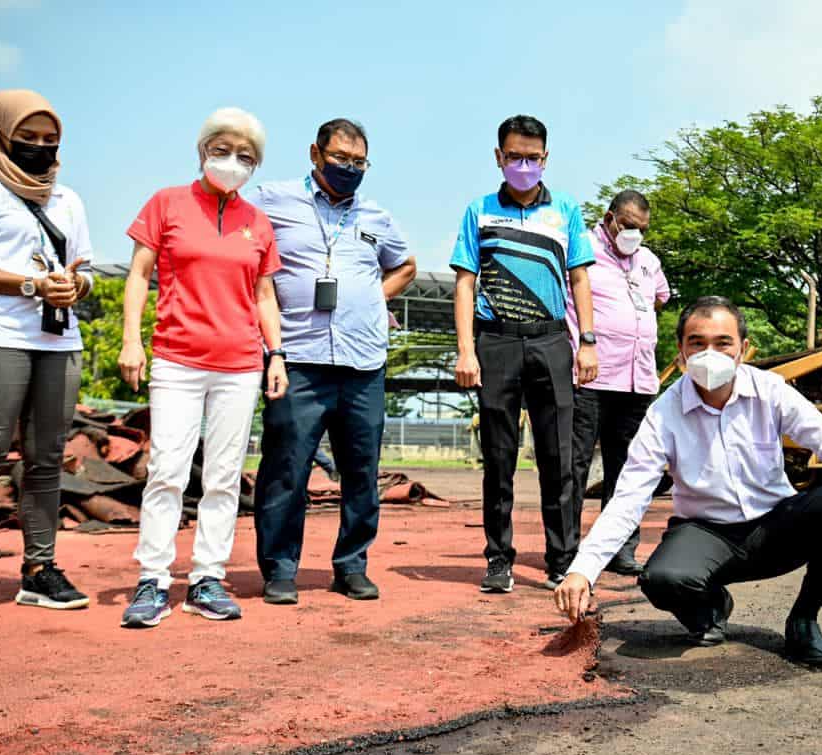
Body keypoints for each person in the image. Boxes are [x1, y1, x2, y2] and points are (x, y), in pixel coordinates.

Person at [554, 296, 822, 663]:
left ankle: (805, 619)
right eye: (697, 343)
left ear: (742, 349)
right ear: (680, 354)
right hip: (706, 534)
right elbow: (628, 498)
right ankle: (710, 607)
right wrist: (582, 571)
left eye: (722, 343)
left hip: (776, 527)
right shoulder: (663, 414)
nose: (709, 353)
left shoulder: (769, 391)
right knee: (662, 578)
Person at [117, 107, 287, 629]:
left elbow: (264, 294)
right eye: (222, 149)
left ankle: (207, 578)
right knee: (167, 469)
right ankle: (152, 579)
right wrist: (132, 340)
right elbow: (139, 273)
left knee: (224, 475)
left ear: (255, 165)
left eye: (245, 156)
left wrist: (275, 354)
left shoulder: (256, 222)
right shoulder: (166, 204)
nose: (232, 161)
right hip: (176, 359)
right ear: (203, 150)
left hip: (239, 364)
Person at [249, 118, 416, 605]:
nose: (349, 168)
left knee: (362, 472)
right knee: (286, 469)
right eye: (340, 158)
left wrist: (371, 298)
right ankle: (280, 569)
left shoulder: (377, 215)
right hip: (298, 357)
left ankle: (351, 566)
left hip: (363, 362)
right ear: (315, 154)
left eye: (359, 162)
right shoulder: (272, 200)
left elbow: (404, 266)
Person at [0, 89, 94, 620]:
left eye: (49, 140)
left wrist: (75, 285)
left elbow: (85, 269)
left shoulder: (66, 198)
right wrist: (31, 286)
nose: (38, 148)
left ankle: (40, 569)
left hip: (58, 339)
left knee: (47, 457)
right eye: (25, 139)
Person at [450, 115, 598, 594]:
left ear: (546, 159)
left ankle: (563, 558)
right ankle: (498, 557)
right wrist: (466, 350)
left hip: (552, 341)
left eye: (532, 158)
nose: (523, 165)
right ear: (499, 157)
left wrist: (588, 341)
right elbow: (465, 282)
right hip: (496, 343)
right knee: (499, 457)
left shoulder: (568, 211)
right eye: (514, 157)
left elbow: (579, 278)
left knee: (559, 456)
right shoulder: (479, 210)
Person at [567, 189, 670, 576]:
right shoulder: (581, 251)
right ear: (610, 218)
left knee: (627, 470)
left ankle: (621, 549)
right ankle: (566, 550)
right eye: (627, 225)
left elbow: (660, 297)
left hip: (637, 379)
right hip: (592, 375)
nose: (634, 234)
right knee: (575, 465)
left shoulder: (648, 260)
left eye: (641, 228)